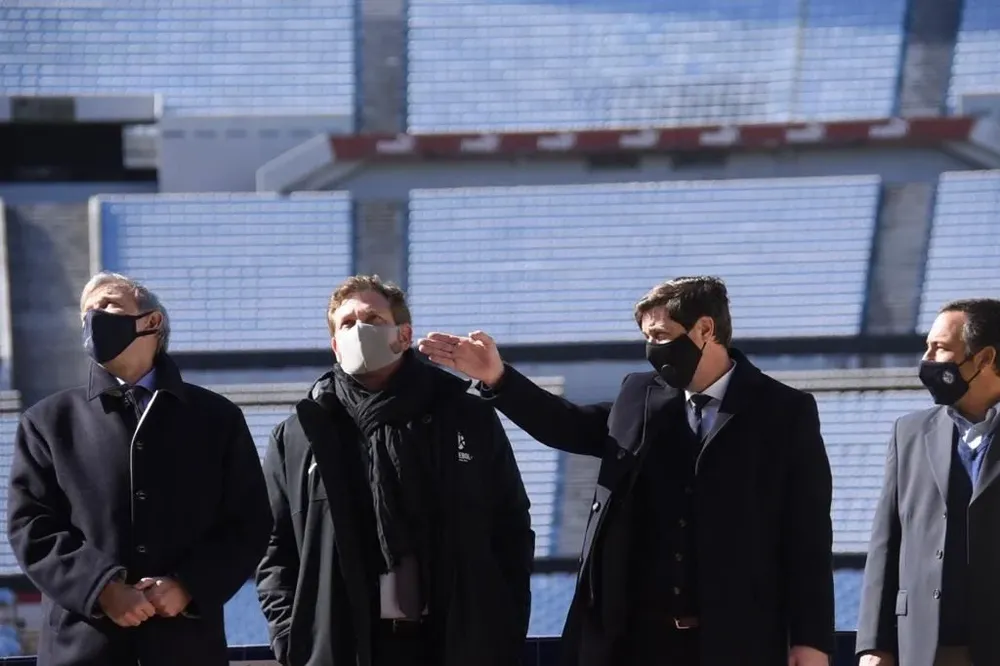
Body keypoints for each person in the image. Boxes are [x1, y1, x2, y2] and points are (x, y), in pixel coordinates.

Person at [419, 276, 834, 666]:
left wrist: (811, 640)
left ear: (705, 329)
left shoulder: (784, 412)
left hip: (739, 641)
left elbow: (808, 534)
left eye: (660, 335)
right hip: (638, 641)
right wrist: (498, 378)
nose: (652, 349)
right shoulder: (640, 394)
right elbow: (569, 426)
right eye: (646, 338)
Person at [255, 275, 534, 666]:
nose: (358, 330)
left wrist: (502, 625)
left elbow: (511, 524)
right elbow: (274, 546)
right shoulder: (300, 433)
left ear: (404, 335)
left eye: (372, 319)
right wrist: (291, 638)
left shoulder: (465, 415)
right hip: (343, 645)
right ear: (335, 345)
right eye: (347, 324)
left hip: (453, 642)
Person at [6, 271, 272, 666]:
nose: (95, 317)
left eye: (109, 304)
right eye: (87, 313)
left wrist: (187, 586)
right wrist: (102, 589)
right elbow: (31, 526)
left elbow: (248, 524)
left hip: (185, 647)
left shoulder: (216, 419)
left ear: (152, 322)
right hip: (81, 649)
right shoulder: (47, 421)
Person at [857, 299, 1000, 666]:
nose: (928, 360)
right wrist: (874, 644)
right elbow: (886, 544)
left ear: (984, 359)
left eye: (940, 348)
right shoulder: (910, 432)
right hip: (923, 648)